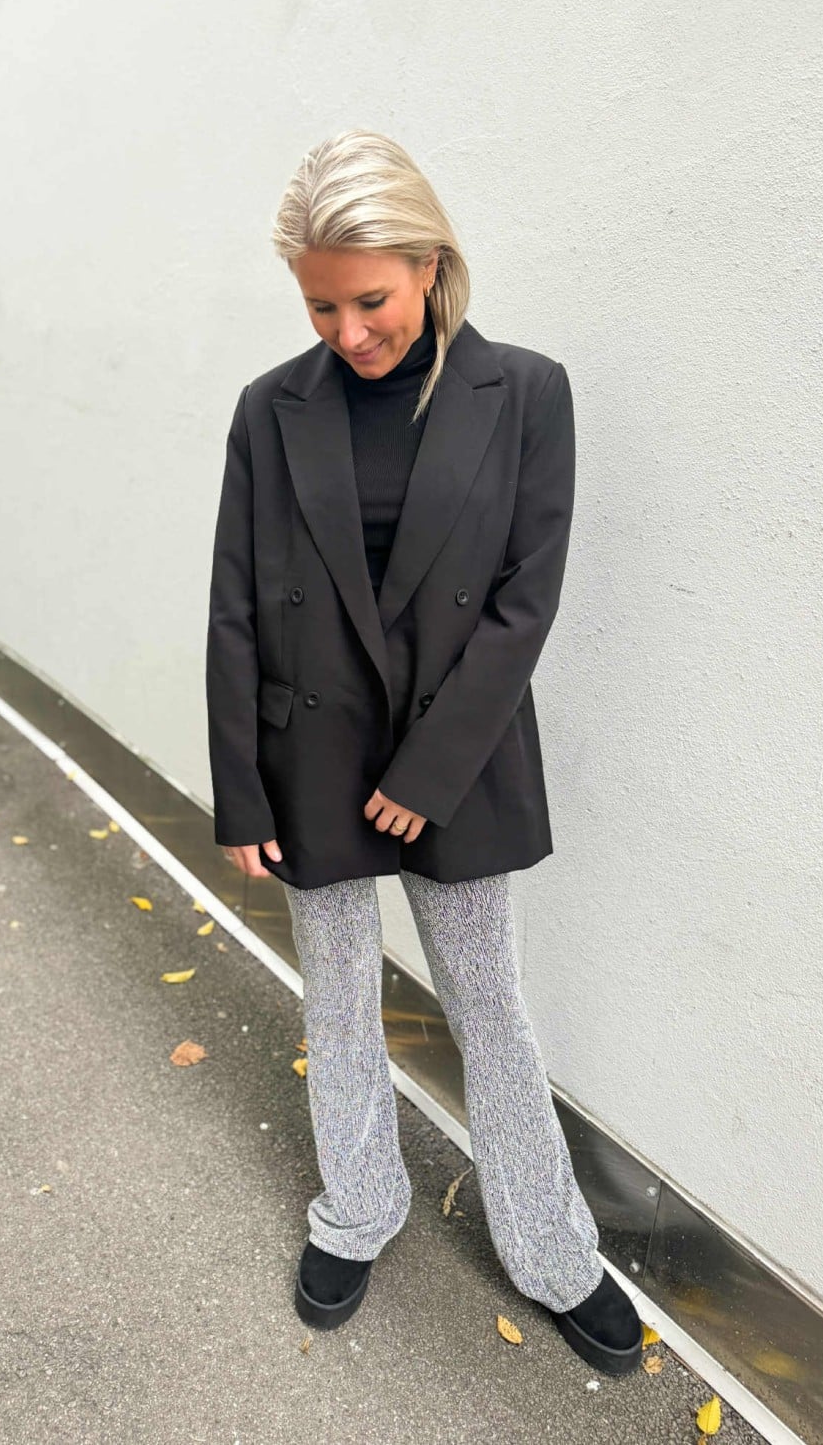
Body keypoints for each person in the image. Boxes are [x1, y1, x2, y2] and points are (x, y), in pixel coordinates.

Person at [205, 129, 642, 1376]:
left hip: (458, 755)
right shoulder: (270, 409)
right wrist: (242, 791)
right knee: (338, 999)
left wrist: (427, 772)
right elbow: (235, 604)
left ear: (430, 264)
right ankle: (356, 1209)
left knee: (489, 1008)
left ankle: (553, 1251)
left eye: (371, 300)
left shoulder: (528, 394)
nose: (348, 331)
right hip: (308, 750)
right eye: (321, 306)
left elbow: (524, 601)